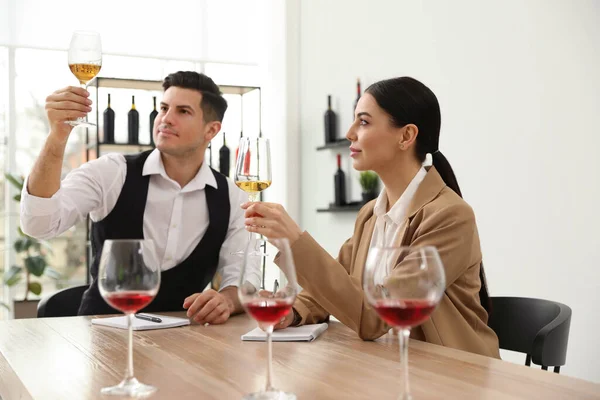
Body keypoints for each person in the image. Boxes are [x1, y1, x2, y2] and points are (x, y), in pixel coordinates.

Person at [242, 77, 500, 357]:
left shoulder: (451, 217)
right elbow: (337, 288)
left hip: (453, 374)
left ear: (406, 136)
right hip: (393, 365)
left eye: (363, 122)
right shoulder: (371, 214)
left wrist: (294, 239)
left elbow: (376, 315)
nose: (350, 133)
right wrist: (293, 311)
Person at [20, 71, 261, 324]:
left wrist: (227, 300)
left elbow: (244, 277)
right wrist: (57, 139)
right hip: (102, 338)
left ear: (211, 130)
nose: (166, 119)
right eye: (164, 108)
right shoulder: (112, 172)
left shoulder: (233, 198)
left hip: (185, 343)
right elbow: (39, 225)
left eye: (183, 111)